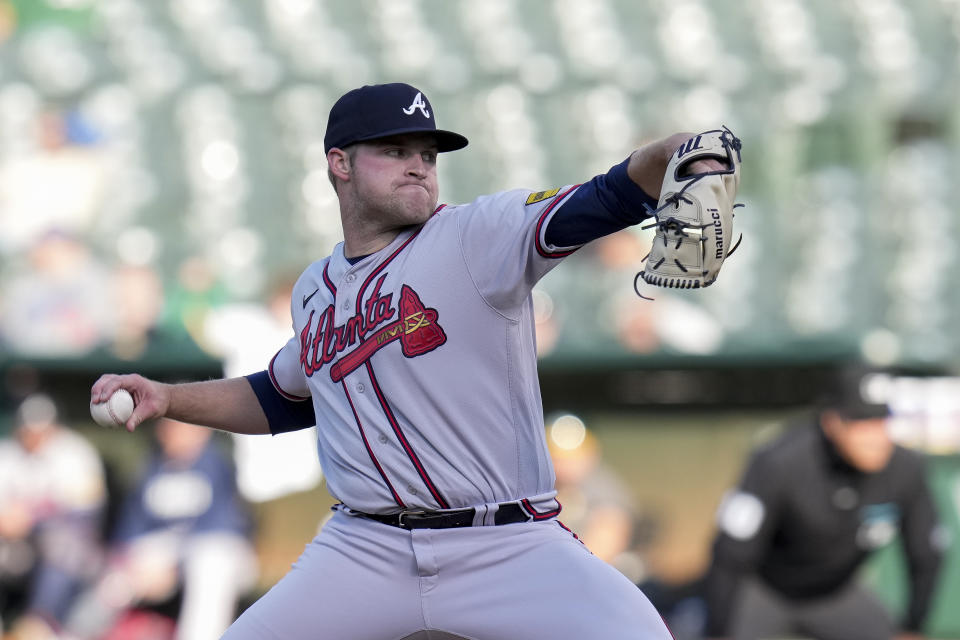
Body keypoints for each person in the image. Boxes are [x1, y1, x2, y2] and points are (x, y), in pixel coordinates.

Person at [91, 82, 736, 639]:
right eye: (394, 151)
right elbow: (281, 398)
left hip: (506, 543)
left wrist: (689, 151)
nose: (418, 166)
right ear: (338, 164)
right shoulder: (314, 288)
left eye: (427, 155)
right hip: (363, 548)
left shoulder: (479, 237)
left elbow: (612, 193)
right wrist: (168, 398)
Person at [702, 369, 947, 640]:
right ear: (832, 422)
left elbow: (927, 554)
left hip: (836, 592)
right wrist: (718, 629)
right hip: (765, 588)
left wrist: (913, 626)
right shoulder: (780, 462)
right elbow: (730, 554)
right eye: (861, 422)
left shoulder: (906, 469)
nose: (875, 437)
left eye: (881, 421)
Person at [65, 418, 257, 640]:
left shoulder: (219, 465)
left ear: (201, 432)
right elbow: (131, 529)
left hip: (218, 551)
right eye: (168, 426)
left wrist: (172, 568)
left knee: (210, 566)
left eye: (181, 427)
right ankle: (74, 634)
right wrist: (137, 562)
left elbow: (224, 529)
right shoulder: (152, 466)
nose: (171, 433)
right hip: (165, 553)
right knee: (118, 575)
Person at [0, 394, 106, 638]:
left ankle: (40, 623)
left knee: (60, 541)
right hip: (17, 550)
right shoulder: (7, 453)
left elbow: (85, 514)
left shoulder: (75, 452)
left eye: (40, 429)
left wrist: (32, 519)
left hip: (75, 554)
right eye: (28, 429)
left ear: (54, 427)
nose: (33, 436)